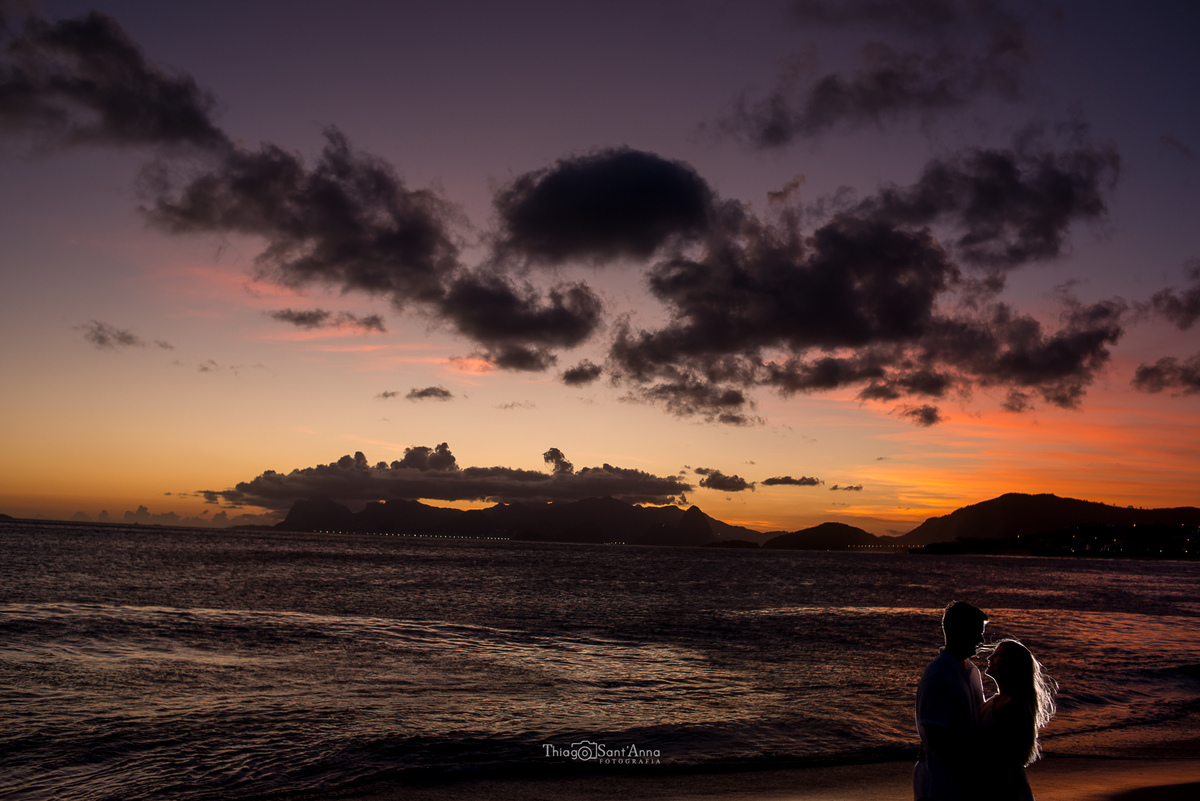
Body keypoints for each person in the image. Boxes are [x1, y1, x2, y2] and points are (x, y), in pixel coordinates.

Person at [913, 601, 989, 801]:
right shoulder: (938, 675)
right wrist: (975, 758)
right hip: (941, 786)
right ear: (959, 631)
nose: (981, 639)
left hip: (967, 784)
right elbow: (935, 736)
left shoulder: (973, 673)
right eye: (977, 632)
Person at [973, 639, 1057, 801]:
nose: (990, 658)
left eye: (999, 655)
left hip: (1004, 787)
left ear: (1014, 664)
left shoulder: (1015, 705)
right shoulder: (994, 701)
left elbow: (1011, 756)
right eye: (994, 653)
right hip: (993, 784)